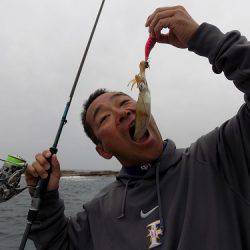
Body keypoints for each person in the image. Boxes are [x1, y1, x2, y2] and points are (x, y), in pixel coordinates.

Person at [25, 5, 250, 250]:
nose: (121, 112)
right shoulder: (98, 213)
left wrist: (204, 38)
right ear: (103, 150)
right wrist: (45, 199)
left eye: (124, 101)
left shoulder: (222, 155)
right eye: (103, 119)